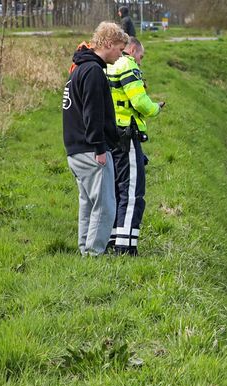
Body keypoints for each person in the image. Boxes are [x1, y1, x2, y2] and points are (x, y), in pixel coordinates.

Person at [62, 22, 129, 257]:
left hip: (75, 148)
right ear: (108, 44)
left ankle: (85, 250)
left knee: (88, 204)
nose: (121, 56)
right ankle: (93, 253)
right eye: (120, 50)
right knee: (105, 206)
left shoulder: (79, 68)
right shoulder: (92, 72)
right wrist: (100, 147)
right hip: (91, 150)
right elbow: (92, 114)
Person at [106, 36, 163, 256]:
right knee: (131, 192)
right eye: (141, 55)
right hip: (127, 134)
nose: (140, 61)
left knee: (116, 189)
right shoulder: (128, 65)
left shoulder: (109, 67)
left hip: (112, 133)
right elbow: (139, 101)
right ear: (132, 49)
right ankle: (126, 247)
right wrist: (156, 108)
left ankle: (113, 240)